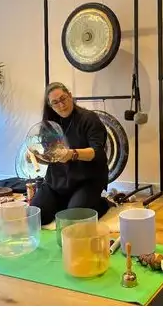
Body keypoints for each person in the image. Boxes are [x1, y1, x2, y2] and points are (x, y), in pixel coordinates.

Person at [29, 82, 112, 225]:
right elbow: (52, 157)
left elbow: (97, 152)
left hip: (87, 180)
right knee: (36, 216)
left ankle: (103, 203)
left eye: (63, 98)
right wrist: (37, 157)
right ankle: (68, 203)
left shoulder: (89, 118)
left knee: (73, 220)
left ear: (70, 96)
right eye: (55, 102)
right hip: (57, 181)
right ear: (50, 106)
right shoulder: (49, 125)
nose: (61, 105)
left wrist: (72, 154)